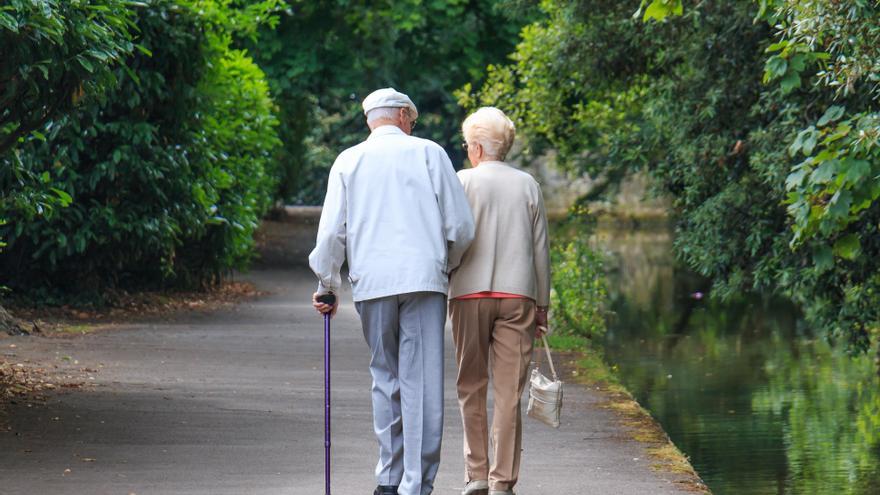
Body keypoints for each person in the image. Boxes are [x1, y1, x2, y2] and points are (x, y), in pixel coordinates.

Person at [309, 87, 475, 495]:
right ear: (403, 116)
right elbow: (461, 228)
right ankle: (416, 485)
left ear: (371, 121)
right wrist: (446, 266)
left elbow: (332, 232)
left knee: (384, 376)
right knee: (421, 382)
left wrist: (327, 285)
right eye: (412, 120)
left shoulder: (348, 160)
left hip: (372, 283)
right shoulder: (430, 153)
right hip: (423, 280)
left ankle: (387, 477)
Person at [448, 107, 551, 495]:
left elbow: (452, 239)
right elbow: (541, 251)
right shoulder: (528, 185)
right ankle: (502, 482)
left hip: (468, 294)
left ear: (475, 147)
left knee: (470, 385)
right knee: (509, 393)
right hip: (518, 295)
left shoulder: (462, 181)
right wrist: (542, 304)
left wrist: (448, 273)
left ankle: (476, 473)